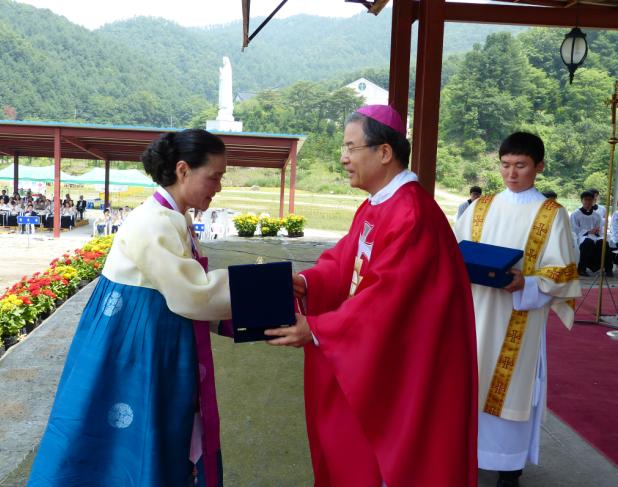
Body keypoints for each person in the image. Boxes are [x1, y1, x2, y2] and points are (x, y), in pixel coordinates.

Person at [266, 105, 478, 487]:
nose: (344, 158)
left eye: (351, 148)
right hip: (383, 356)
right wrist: (309, 283)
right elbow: (346, 262)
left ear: (384, 152)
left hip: (406, 369)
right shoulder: (376, 205)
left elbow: (387, 298)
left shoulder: (411, 214)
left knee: (391, 465)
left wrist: (317, 329)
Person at [28, 129, 232, 486]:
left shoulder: (173, 217)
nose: (218, 187)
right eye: (214, 177)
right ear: (183, 170)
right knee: (125, 443)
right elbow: (192, 294)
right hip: (134, 346)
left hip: (145, 338)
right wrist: (267, 291)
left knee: (137, 438)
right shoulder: (153, 222)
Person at [455, 132, 581, 487]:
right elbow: (455, 251)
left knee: (509, 391)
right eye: (506, 165)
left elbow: (563, 273)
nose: (511, 173)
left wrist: (525, 282)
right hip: (475, 312)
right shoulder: (480, 207)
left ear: (539, 166)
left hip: (518, 317)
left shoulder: (552, 214)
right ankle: (468, 459)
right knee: (468, 385)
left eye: (521, 165)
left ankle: (508, 469)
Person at [570, 190, 613, 277]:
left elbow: (600, 228)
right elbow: (574, 229)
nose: (588, 202)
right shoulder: (575, 214)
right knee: (588, 242)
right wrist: (588, 231)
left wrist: (597, 230)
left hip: (595, 236)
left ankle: (608, 269)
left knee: (604, 243)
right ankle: (582, 269)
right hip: (582, 237)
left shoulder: (596, 215)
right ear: (582, 200)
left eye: (590, 200)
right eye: (586, 199)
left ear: (593, 201)